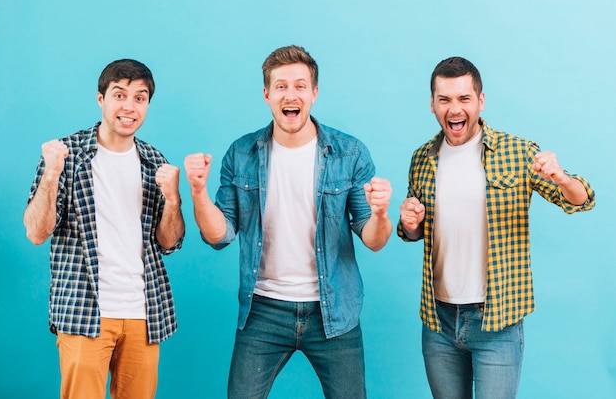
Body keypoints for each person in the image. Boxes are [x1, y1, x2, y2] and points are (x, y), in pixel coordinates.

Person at [184, 45, 392, 399]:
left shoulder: (350, 153)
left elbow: (373, 239)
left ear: (314, 93)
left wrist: (382, 212)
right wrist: (198, 192)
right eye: (281, 86)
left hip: (333, 309)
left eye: (299, 85)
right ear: (267, 95)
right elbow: (220, 235)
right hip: (263, 309)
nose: (290, 94)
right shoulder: (241, 153)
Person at [397, 56, 595, 398]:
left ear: (480, 101)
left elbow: (580, 200)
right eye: (444, 99)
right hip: (439, 320)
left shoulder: (518, 152)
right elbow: (415, 233)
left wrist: (561, 177)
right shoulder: (422, 158)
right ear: (432, 105)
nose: (454, 108)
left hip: (497, 321)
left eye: (463, 99)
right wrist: (410, 222)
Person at [24, 59, 185, 399]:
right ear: (101, 99)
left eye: (140, 98)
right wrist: (51, 174)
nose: (129, 107)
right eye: (119, 95)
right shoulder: (66, 155)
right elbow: (37, 233)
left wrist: (173, 200)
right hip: (84, 309)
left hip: (144, 313)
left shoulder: (155, 162)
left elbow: (169, 243)